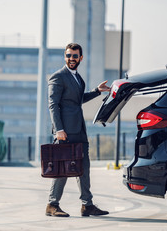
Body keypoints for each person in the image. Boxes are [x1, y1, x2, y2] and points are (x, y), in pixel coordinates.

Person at [46, 43, 111, 217]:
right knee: (63, 169)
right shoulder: (58, 77)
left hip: (79, 130)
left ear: (80, 58)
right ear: (64, 57)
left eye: (75, 56)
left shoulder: (78, 78)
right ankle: (52, 205)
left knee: (83, 167)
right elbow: (53, 105)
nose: (71, 59)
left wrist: (97, 91)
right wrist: (58, 129)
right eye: (68, 56)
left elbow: (78, 99)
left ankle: (87, 205)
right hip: (65, 131)